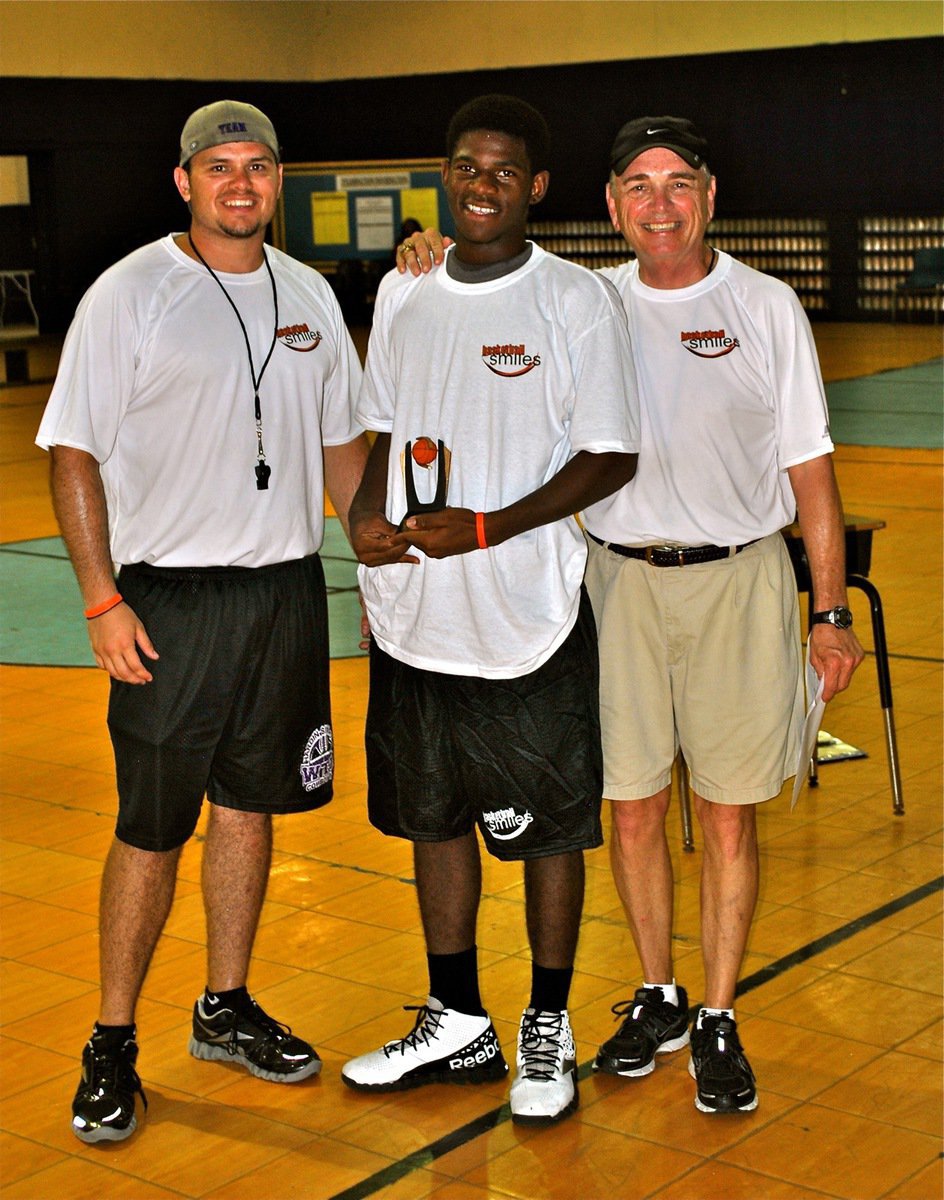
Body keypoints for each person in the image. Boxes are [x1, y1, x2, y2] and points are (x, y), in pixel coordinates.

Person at [398, 115, 864, 1115]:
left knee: (727, 813)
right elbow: (485, 299)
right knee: (632, 805)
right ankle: (657, 993)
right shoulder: (583, 300)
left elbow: (811, 478)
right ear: (608, 206)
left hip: (737, 581)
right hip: (609, 581)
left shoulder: (766, 306)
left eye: (676, 183)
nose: (658, 204)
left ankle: (718, 1014)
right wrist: (432, 256)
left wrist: (827, 612)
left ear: (706, 196)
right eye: (636, 187)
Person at [36, 100, 370, 1144]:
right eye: (219, 167)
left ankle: (224, 1005)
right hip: (168, 597)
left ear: (281, 182)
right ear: (183, 180)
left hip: (280, 593)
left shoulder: (308, 292)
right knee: (150, 824)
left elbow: (342, 448)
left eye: (259, 167)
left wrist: (387, 551)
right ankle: (112, 1039)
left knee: (249, 804)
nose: (240, 184)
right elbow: (73, 450)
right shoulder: (132, 292)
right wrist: (101, 596)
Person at [340, 94, 640, 1126]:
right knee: (432, 815)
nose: (479, 185)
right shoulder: (404, 292)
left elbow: (611, 453)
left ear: (537, 187)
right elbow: (382, 427)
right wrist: (362, 515)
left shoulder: (574, 301)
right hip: (416, 612)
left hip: (526, 613)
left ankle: (544, 1023)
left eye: (502, 171)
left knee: (550, 830)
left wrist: (489, 527)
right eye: (465, 167)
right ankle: (454, 1016)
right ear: (444, 175)